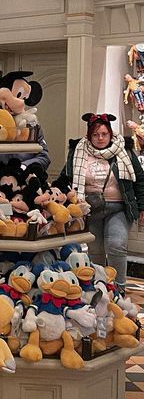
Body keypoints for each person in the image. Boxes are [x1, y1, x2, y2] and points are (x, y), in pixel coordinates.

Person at [62, 112, 144, 292]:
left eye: (104, 134)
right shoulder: (78, 151)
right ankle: (98, 287)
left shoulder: (124, 151)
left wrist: (142, 206)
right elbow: (65, 178)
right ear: (89, 135)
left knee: (116, 245)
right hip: (90, 209)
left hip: (120, 207)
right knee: (95, 250)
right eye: (96, 134)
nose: (100, 138)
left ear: (110, 134)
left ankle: (118, 289)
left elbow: (139, 179)